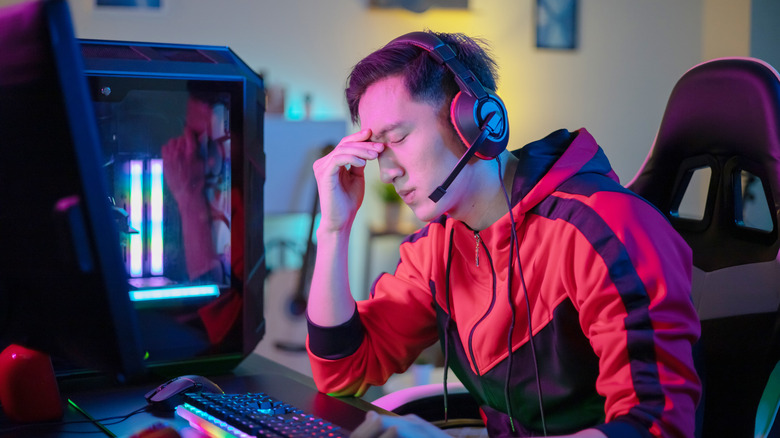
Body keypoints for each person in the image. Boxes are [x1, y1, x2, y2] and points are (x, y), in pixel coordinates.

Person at [306, 30, 701, 438]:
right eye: (377, 151)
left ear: (476, 121)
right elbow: (342, 373)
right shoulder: (435, 251)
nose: (388, 171)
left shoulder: (603, 229)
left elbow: (655, 425)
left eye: (399, 138)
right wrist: (335, 229)